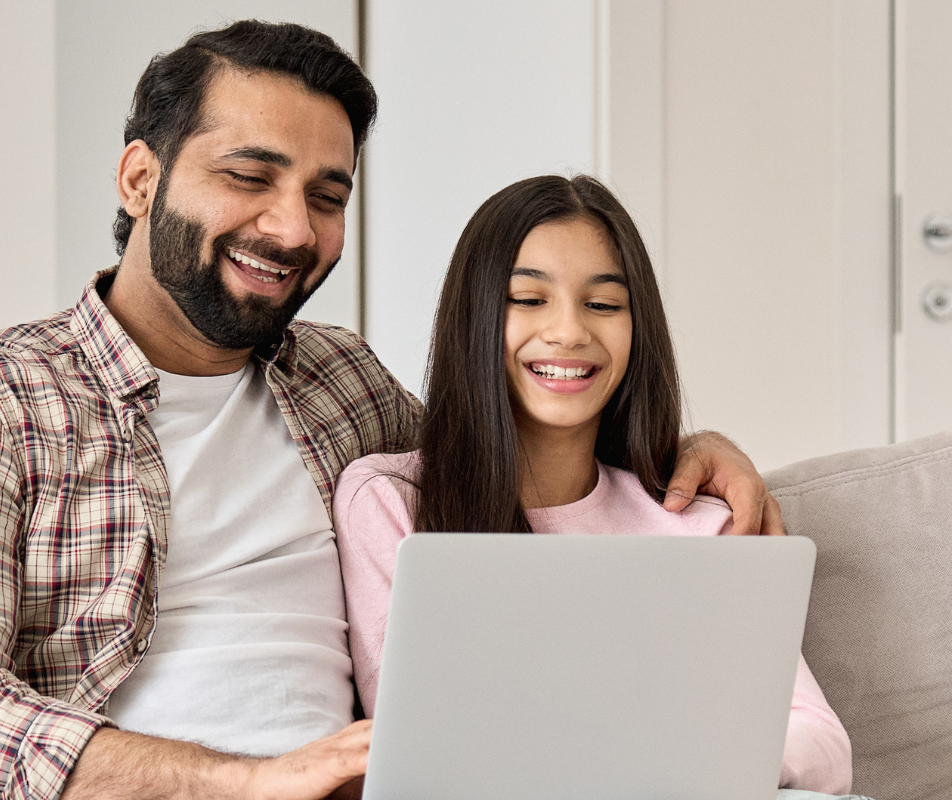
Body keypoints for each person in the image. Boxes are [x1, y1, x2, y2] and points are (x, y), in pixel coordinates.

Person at [0, 21, 785, 800]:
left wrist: (683, 446)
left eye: (326, 195)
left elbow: (518, 462)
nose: (293, 229)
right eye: (249, 178)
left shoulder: (342, 384)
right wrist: (249, 781)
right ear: (141, 179)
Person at [333, 175, 858, 796]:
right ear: (472, 317)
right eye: (527, 299)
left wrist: (677, 767)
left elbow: (823, 745)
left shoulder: (698, 523)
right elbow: (416, 751)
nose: (569, 332)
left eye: (603, 305)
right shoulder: (392, 503)